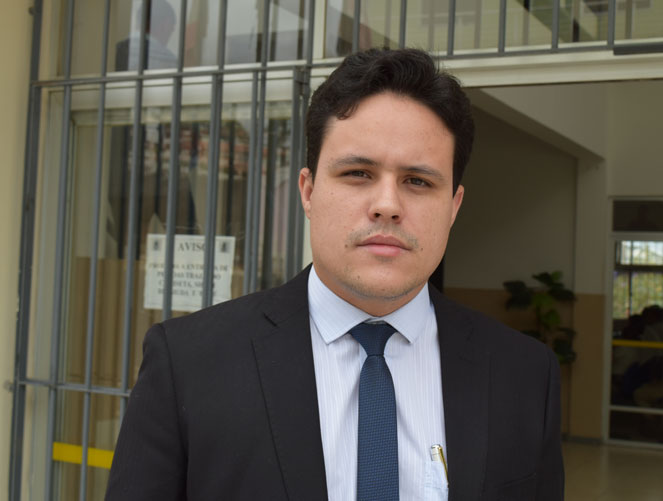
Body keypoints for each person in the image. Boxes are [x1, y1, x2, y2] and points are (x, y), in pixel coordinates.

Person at [105, 48, 564, 501]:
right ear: (308, 191)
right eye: (358, 173)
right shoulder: (189, 365)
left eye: (418, 181)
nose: (387, 205)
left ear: (454, 207)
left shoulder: (524, 375)